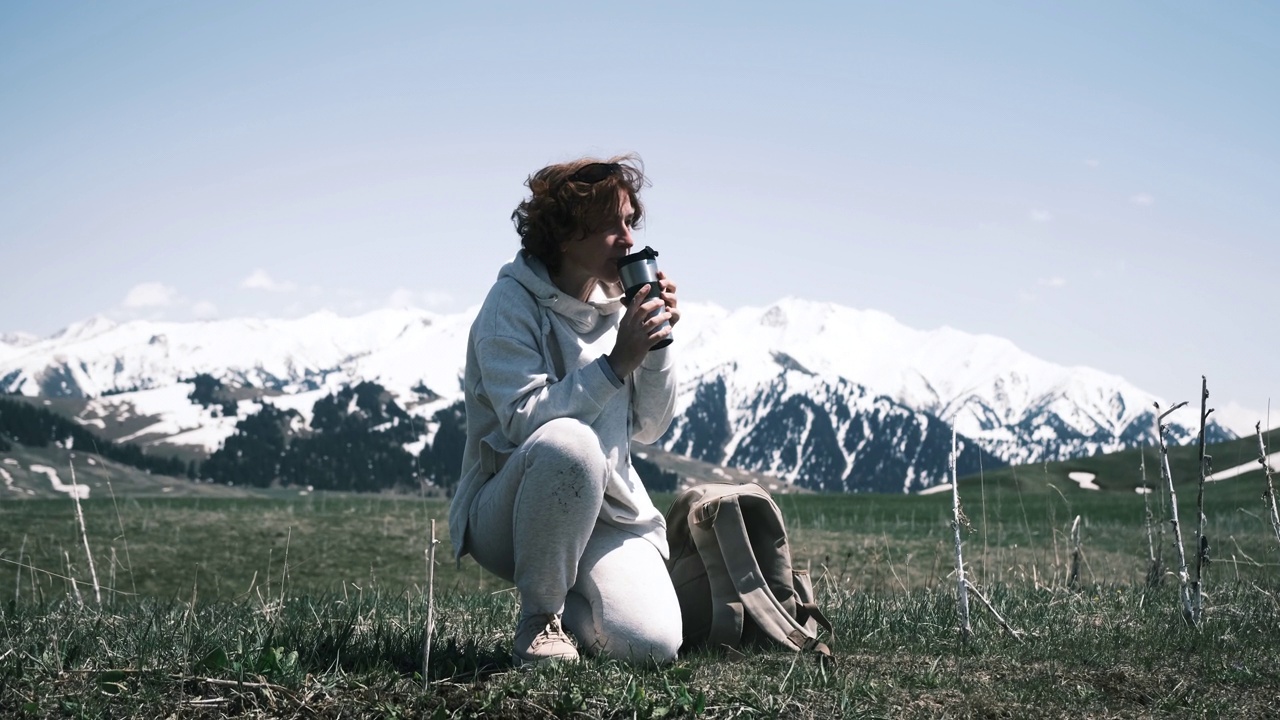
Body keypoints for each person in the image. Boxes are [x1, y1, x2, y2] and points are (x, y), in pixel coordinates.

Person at [447, 154, 683, 665]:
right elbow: (523, 419)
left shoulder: (618, 306)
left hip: (608, 512)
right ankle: (539, 620)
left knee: (651, 647)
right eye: (607, 227)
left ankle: (582, 598)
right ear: (563, 236)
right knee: (570, 443)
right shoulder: (509, 304)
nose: (627, 239)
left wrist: (655, 347)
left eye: (629, 222)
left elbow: (649, 427)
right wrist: (617, 362)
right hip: (512, 507)